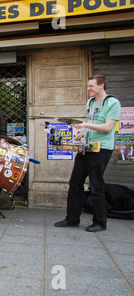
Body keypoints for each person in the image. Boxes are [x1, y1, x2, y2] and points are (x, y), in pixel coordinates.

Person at [55, 75, 121, 232]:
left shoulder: (112, 103)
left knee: (96, 186)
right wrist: (81, 132)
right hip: (86, 147)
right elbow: (91, 125)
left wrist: (86, 124)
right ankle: (72, 218)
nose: (88, 89)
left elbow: (107, 127)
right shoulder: (90, 102)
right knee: (75, 183)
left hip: (101, 149)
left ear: (101, 86)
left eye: (91, 86)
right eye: (87, 86)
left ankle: (100, 222)